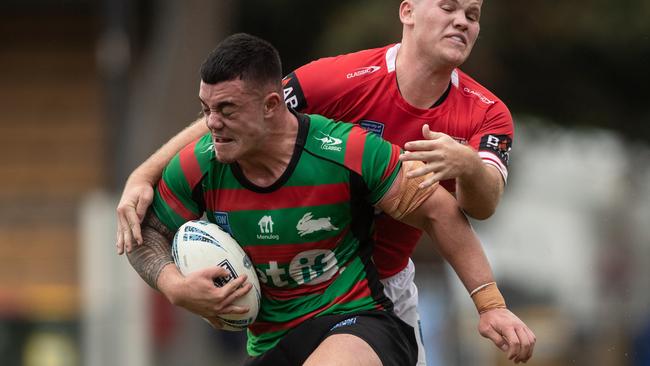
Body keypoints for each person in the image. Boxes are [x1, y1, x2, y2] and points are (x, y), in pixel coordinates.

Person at [118, 0, 536, 363]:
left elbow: (478, 207)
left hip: (377, 288)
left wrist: (467, 166)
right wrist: (145, 172)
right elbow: (237, 115)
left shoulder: (486, 113)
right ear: (407, 12)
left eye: (473, 15)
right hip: (283, 299)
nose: (462, 21)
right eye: (448, 8)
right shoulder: (340, 79)